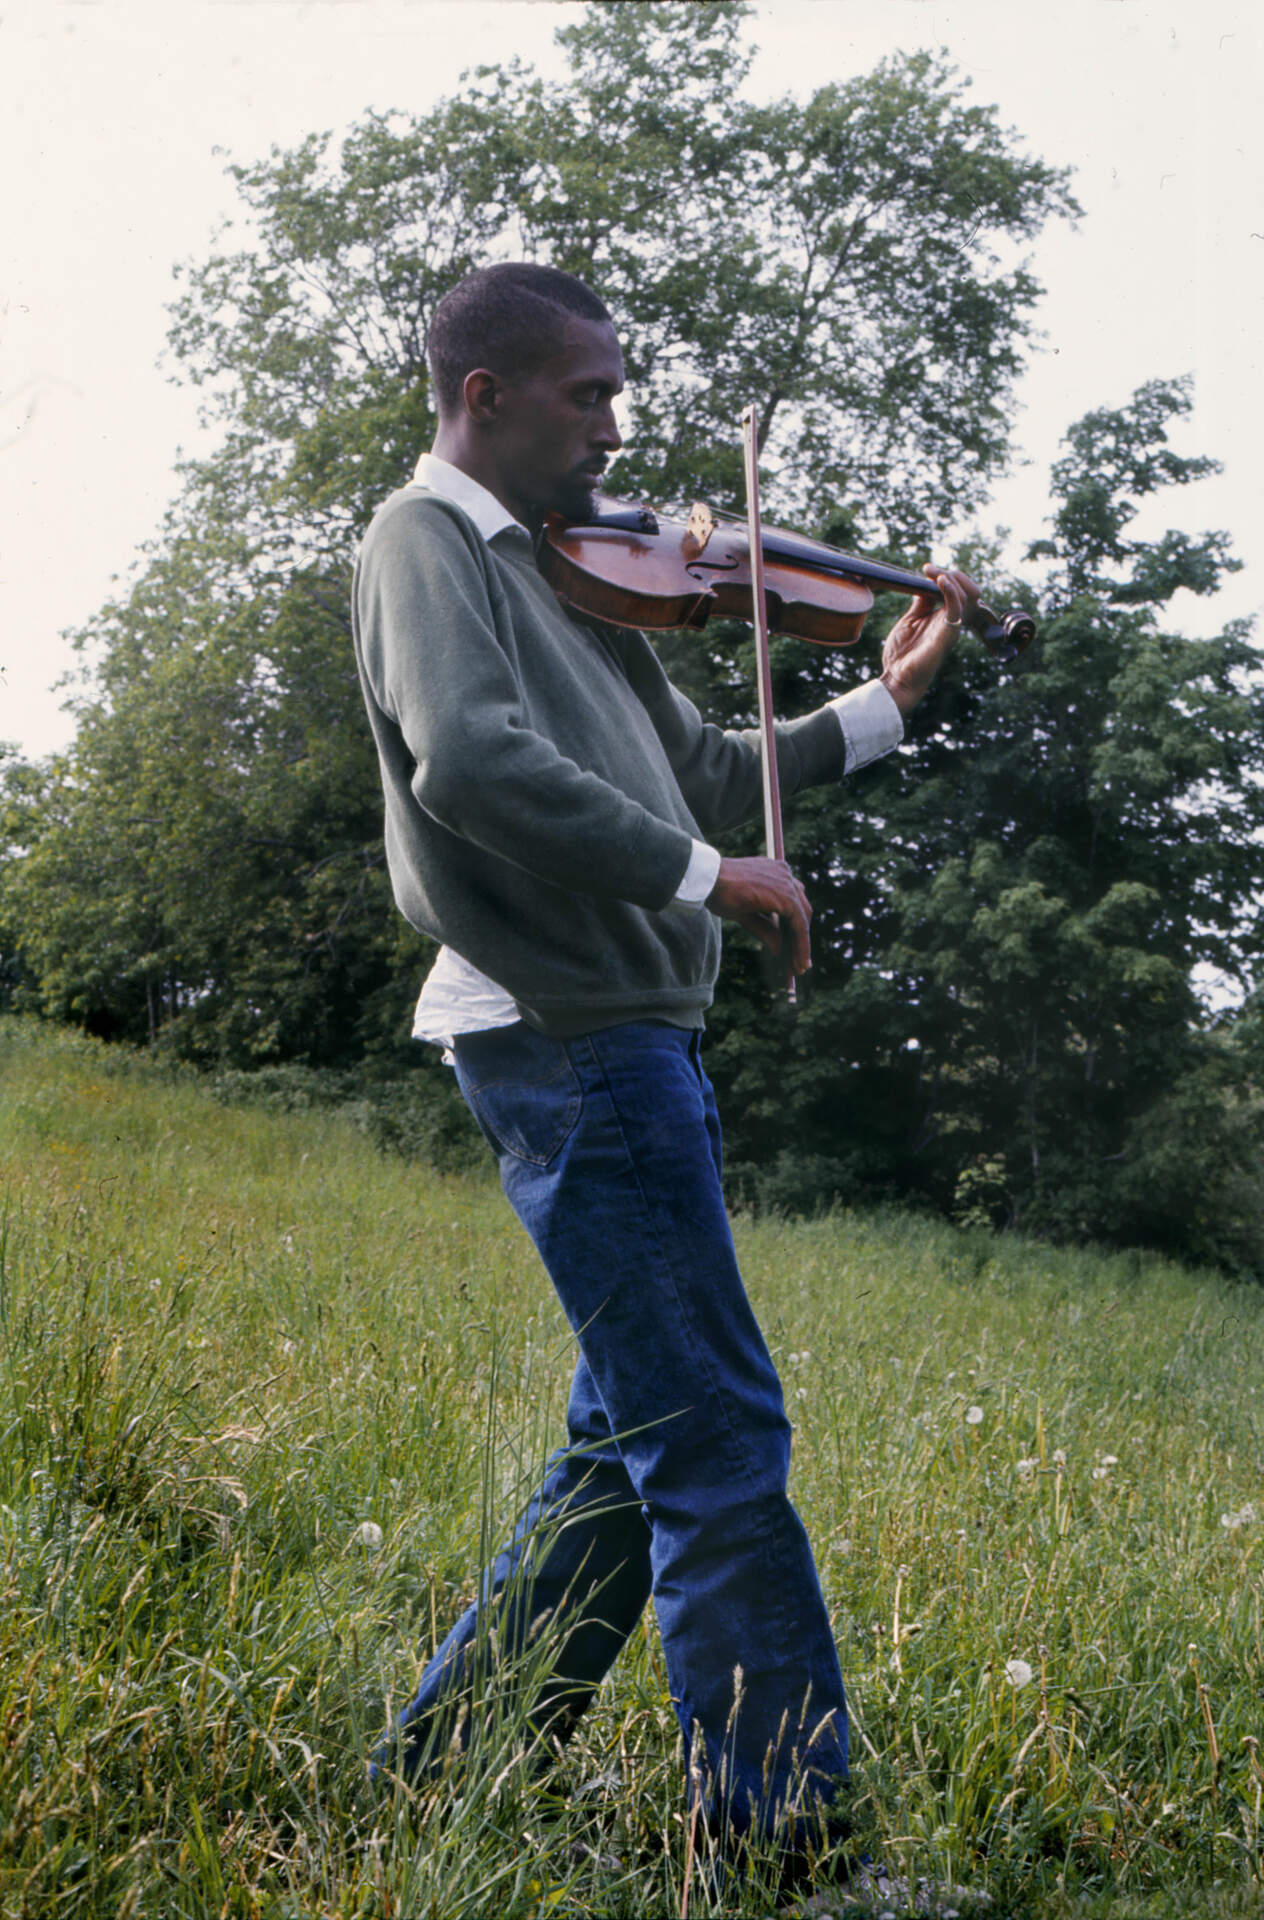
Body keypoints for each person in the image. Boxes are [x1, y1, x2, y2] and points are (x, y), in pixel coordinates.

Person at [351, 262, 974, 1868]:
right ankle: (784, 1852)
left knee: (637, 1443)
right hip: (570, 1035)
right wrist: (714, 879)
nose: (617, 427)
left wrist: (886, 703)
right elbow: (472, 759)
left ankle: (450, 1768)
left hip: (629, 1036)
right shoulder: (425, 542)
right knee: (714, 1437)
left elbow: (704, 766)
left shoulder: (567, 578)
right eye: (590, 394)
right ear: (483, 397)